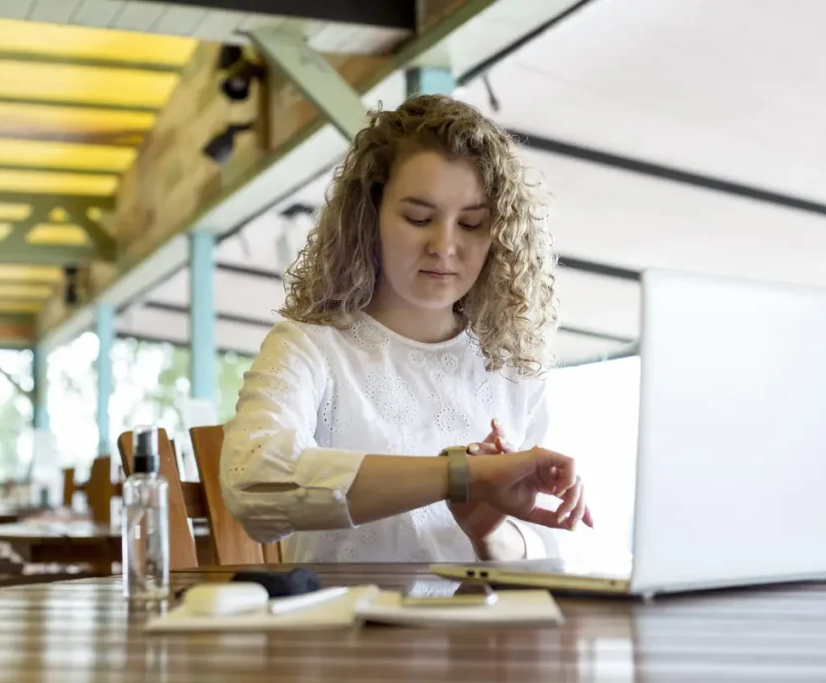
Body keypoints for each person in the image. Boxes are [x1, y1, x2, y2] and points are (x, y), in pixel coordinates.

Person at [221, 94, 593, 563]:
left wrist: (488, 534)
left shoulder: (511, 367)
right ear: (369, 217)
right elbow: (253, 480)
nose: (444, 245)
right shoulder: (310, 347)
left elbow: (551, 549)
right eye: (419, 218)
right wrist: (462, 476)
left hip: (481, 636)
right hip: (347, 630)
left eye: (473, 223)